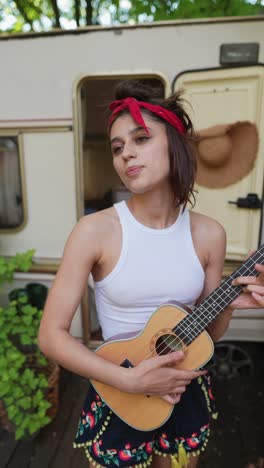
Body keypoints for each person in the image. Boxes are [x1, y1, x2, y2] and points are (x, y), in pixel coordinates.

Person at [38, 80, 264, 468]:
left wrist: (229, 305)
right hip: (119, 386)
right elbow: (50, 335)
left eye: (140, 138)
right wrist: (130, 380)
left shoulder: (210, 234)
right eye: (117, 147)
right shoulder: (94, 231)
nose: (126, 154)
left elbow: (205, 336)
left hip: (183, 387)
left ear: (174, 144)